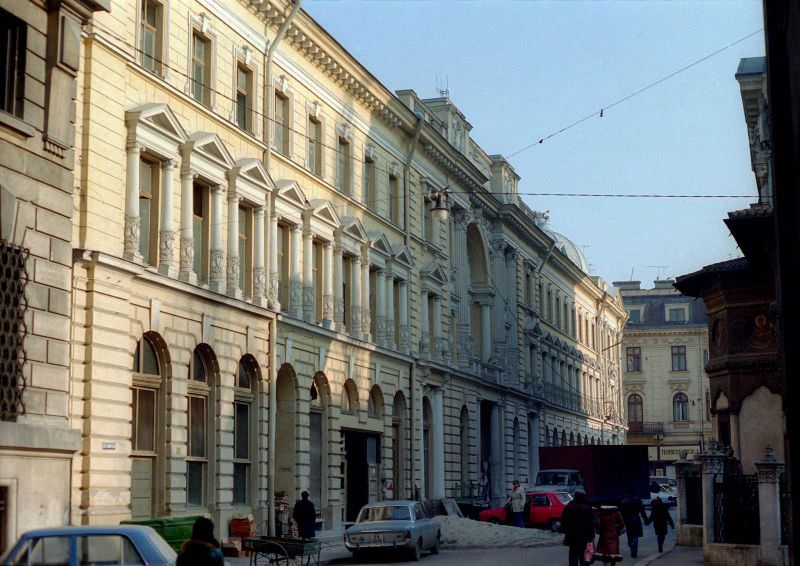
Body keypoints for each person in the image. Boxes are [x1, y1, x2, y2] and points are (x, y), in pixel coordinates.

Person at [561, 489, 595, 566]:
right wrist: (592, 536)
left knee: (573, 555)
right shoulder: (586, 507)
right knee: (584, 555)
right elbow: (590, 523)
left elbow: (563, 521)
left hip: (572, 536)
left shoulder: (569, 506)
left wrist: (566, 531)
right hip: (585, 536)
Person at [619, 487, 648, 558]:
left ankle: (631, 546)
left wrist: (621, 522)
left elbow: (621, 512)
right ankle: (634, 547)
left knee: (629, 534)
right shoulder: (637, 500)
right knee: (635, 535)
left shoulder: (623, 501)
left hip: (627, 520)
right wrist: (645, 519)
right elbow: (642, 511)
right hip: (635, 519)